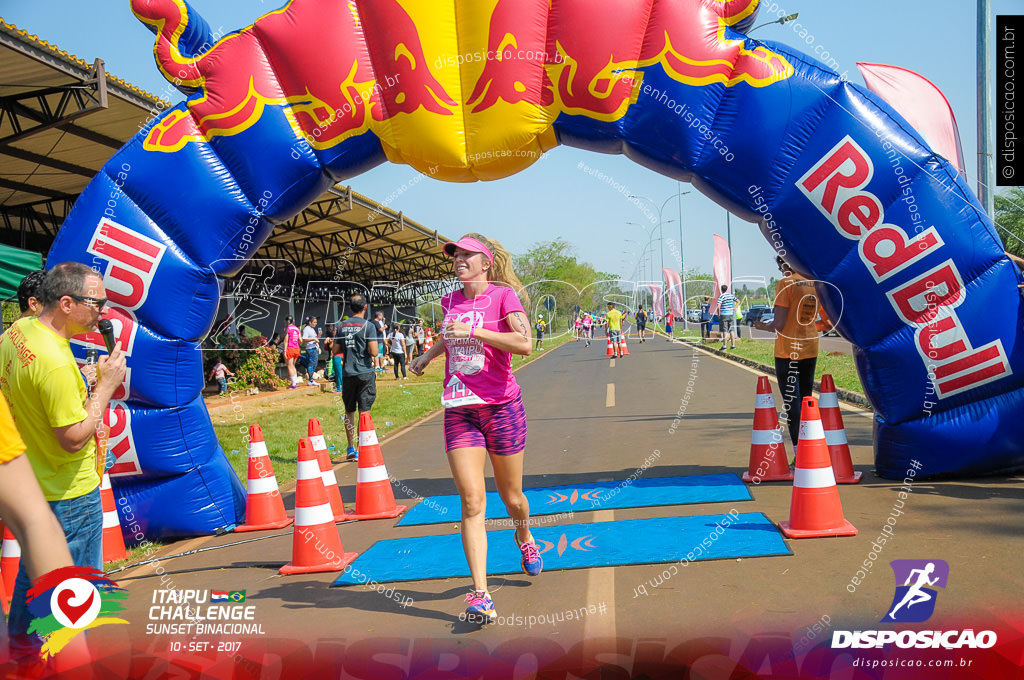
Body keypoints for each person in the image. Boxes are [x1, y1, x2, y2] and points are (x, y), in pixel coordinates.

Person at [407, 233, 540, 623]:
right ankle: (481, 594)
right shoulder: (450, 301)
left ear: (487, 263)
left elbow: (525, 343)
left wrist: (477, 331)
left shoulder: (503, 298)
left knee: (512, 497)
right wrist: (427, 356)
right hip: (459, 409)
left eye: (468, 255)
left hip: (502, 407)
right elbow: (450, 338)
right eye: (456, 255)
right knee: (471, 502)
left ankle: (525, 536)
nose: (459, 260)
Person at [0, 262, 126, 653]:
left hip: (30, 482)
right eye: (98, 303)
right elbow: (72, 438)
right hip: (69, 492)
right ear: (67, 303)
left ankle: (21, 654)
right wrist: (104, 388)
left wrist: (78, 384)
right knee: (76, 593)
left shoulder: (19, 331)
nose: (104, 312)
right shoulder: (54, 362)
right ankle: (68, 661)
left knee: (33, 573)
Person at [756, 255, 828, 451]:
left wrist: (763, 326)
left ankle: (799, 451)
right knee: (807, 398)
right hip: (810, 346)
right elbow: (826, 321)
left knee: (792, 404)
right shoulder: (815, 283)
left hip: (788, 351)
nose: (781, 271)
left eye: (781, 267)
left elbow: (778, 324)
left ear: (785, 263)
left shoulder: (785, 284)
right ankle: (811, 447)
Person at [338, 294, 379, 461]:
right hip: (364, 373)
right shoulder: (369, 326)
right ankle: (363, 447)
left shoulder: (342, 326)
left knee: (349, 411)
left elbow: (335, 350)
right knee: (364, 411)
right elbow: (374, 352)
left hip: (348, 373)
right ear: (365, 307)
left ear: (350, 308)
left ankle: (350, 447)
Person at [717, 284, 738, 350]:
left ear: (721, 289)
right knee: (732, 330)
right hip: (730, 314)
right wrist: (734, 307)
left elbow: (718, 306)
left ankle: (724, 346)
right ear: (727, 289)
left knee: (725, 330)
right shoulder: (731, 296)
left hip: (724, 315)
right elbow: (738, 301)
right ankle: (733, 345)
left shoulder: (721, 296)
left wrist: (719, 314)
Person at [301, 316, 320, 386]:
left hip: (314, 347)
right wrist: (314, 339)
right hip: (310, 349)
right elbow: (305, 339)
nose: (315, 324)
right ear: (310, 322)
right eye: (314, 322)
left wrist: (318, 336)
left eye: (316, 322)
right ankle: (310, 380)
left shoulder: (312, 329)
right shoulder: (306, 329)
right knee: (311, 363)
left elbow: (314, 339)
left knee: (315, 364)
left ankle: (311, 379)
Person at [283, 316, 301, 388]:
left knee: (289, 366)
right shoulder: (297, 328)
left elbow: (285, 341)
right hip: (297, 348)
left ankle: (294, 383)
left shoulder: (287, 329)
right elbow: (300, 340)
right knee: (293, 365)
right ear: (293, 320)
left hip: (290, 348)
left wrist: (284, 351)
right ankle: (295, 382)